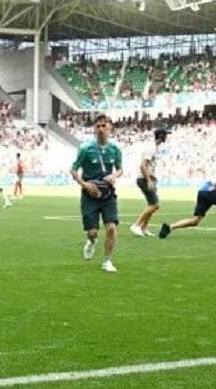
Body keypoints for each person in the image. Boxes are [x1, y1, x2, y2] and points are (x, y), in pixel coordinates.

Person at [71, 115, 123, 273]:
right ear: (94, 129)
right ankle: (91, 241)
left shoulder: (115, 149)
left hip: (108, 194)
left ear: (110, 128)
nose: (101, 129)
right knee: (93, 232)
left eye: (103, 126)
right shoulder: (85, 149)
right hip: (90, 195)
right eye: (98, 126)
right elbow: (73, 170)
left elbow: (120, 169)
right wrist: (85, 185)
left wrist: (114, 176)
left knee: (111, 228)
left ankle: (107, 261)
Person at [131, 127, 170, 237]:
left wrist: (151, 175)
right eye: (166, 134)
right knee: (155, 205)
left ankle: (143, 228)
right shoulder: (151, 148)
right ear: (161, 136)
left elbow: (147, 166)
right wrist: (148, 180)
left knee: (151, 204)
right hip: (144, 179)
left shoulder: (154, 148)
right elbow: (142, 165)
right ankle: (136, 225)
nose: (167, 136)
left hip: (147, 178)